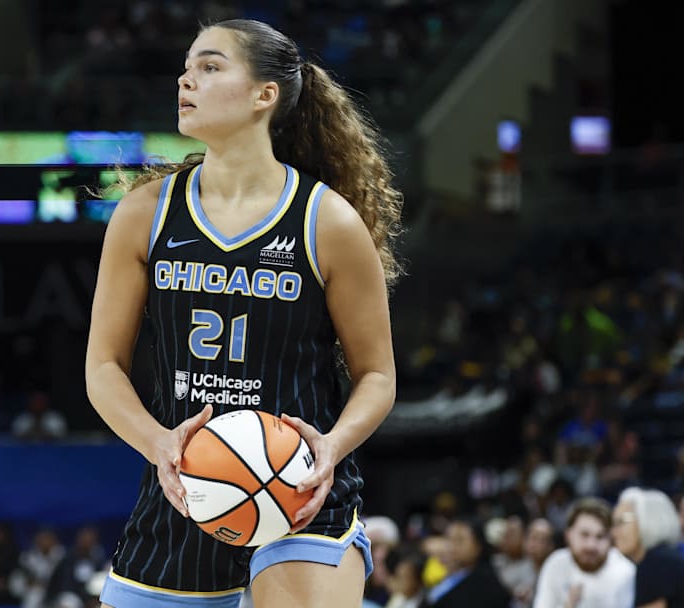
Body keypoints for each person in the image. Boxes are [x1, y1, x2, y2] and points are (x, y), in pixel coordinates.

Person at [85, 17, 401, 608]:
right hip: (182, 492)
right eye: (185, 68)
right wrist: (158, 444)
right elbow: (102, 366)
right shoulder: (145, 213)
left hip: (299, 492)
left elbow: (377, 375)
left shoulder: (325, 221)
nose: (186, 80)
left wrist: (331, 447)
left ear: (265, 94)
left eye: (209, 66)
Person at [532, 497, 634, 608]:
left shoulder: (624, 571)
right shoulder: (555, 564)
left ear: (611, 538)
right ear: (568, 535)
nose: (591, 545)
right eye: (584, 535)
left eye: (600, 537)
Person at [610, 487, 684, 607]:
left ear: (647, 520)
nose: (613, 532)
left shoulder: (657, 563)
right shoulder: (665, 558)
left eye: (621, 522)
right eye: (613, 524)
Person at [420, 518, 510, 607]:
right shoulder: (450, 576)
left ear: (478, 546)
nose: (452, 546)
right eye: (449, 539)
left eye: (459, 540)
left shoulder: (486, 584)